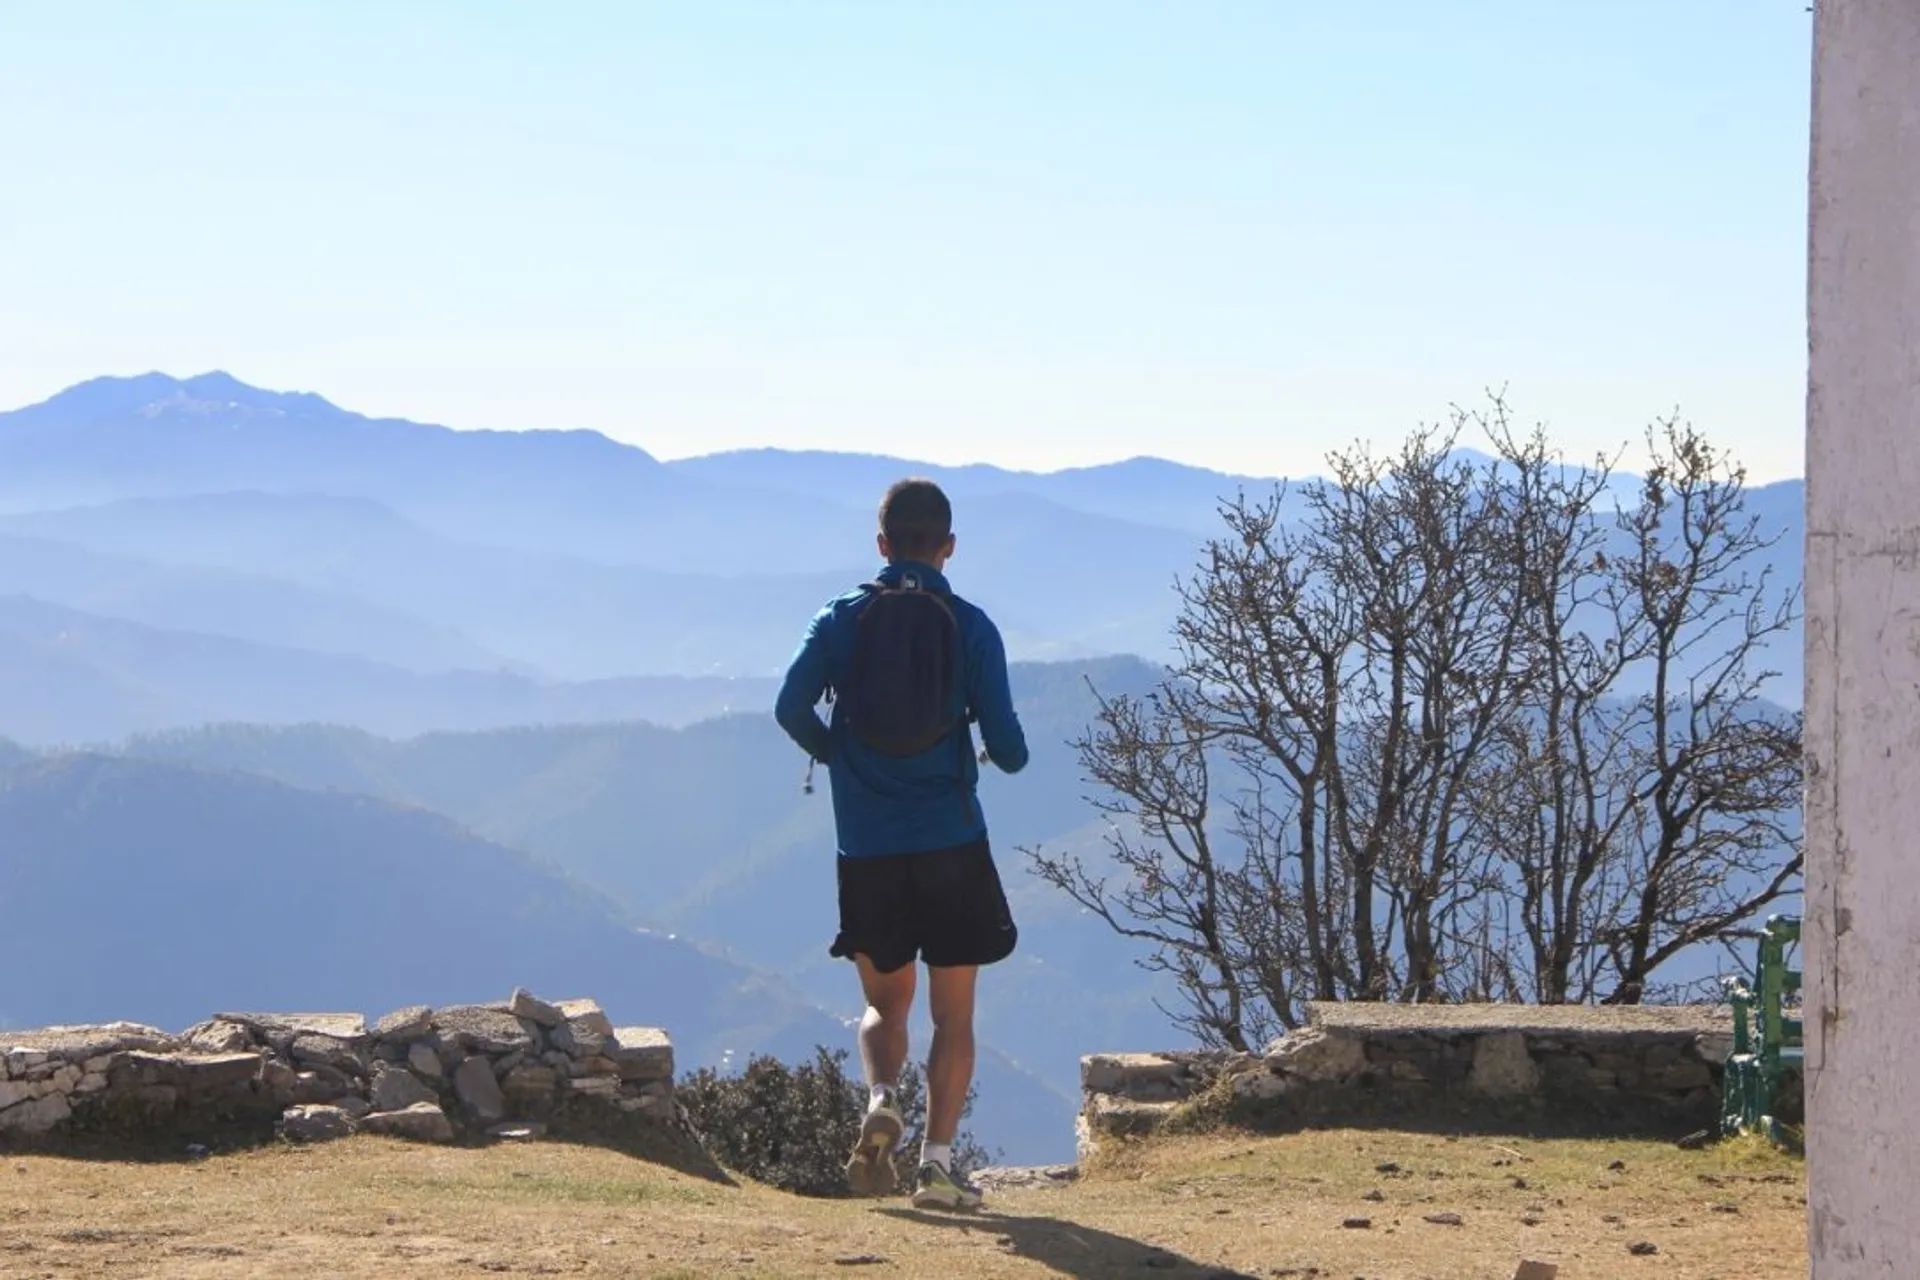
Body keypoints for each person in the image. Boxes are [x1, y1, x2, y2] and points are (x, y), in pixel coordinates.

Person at [775, 477, 1029, 1210]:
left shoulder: (840, 618)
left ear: (881, 544)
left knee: (887, 1006)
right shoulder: (972, 625)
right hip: (952, 840)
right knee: (954, 1016)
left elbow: (789, 705)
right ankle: (940, 1167)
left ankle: (882, 1095)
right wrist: (999, 751)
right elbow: (1008, 750)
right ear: (948, 547)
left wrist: (838, 756)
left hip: (867, 844)